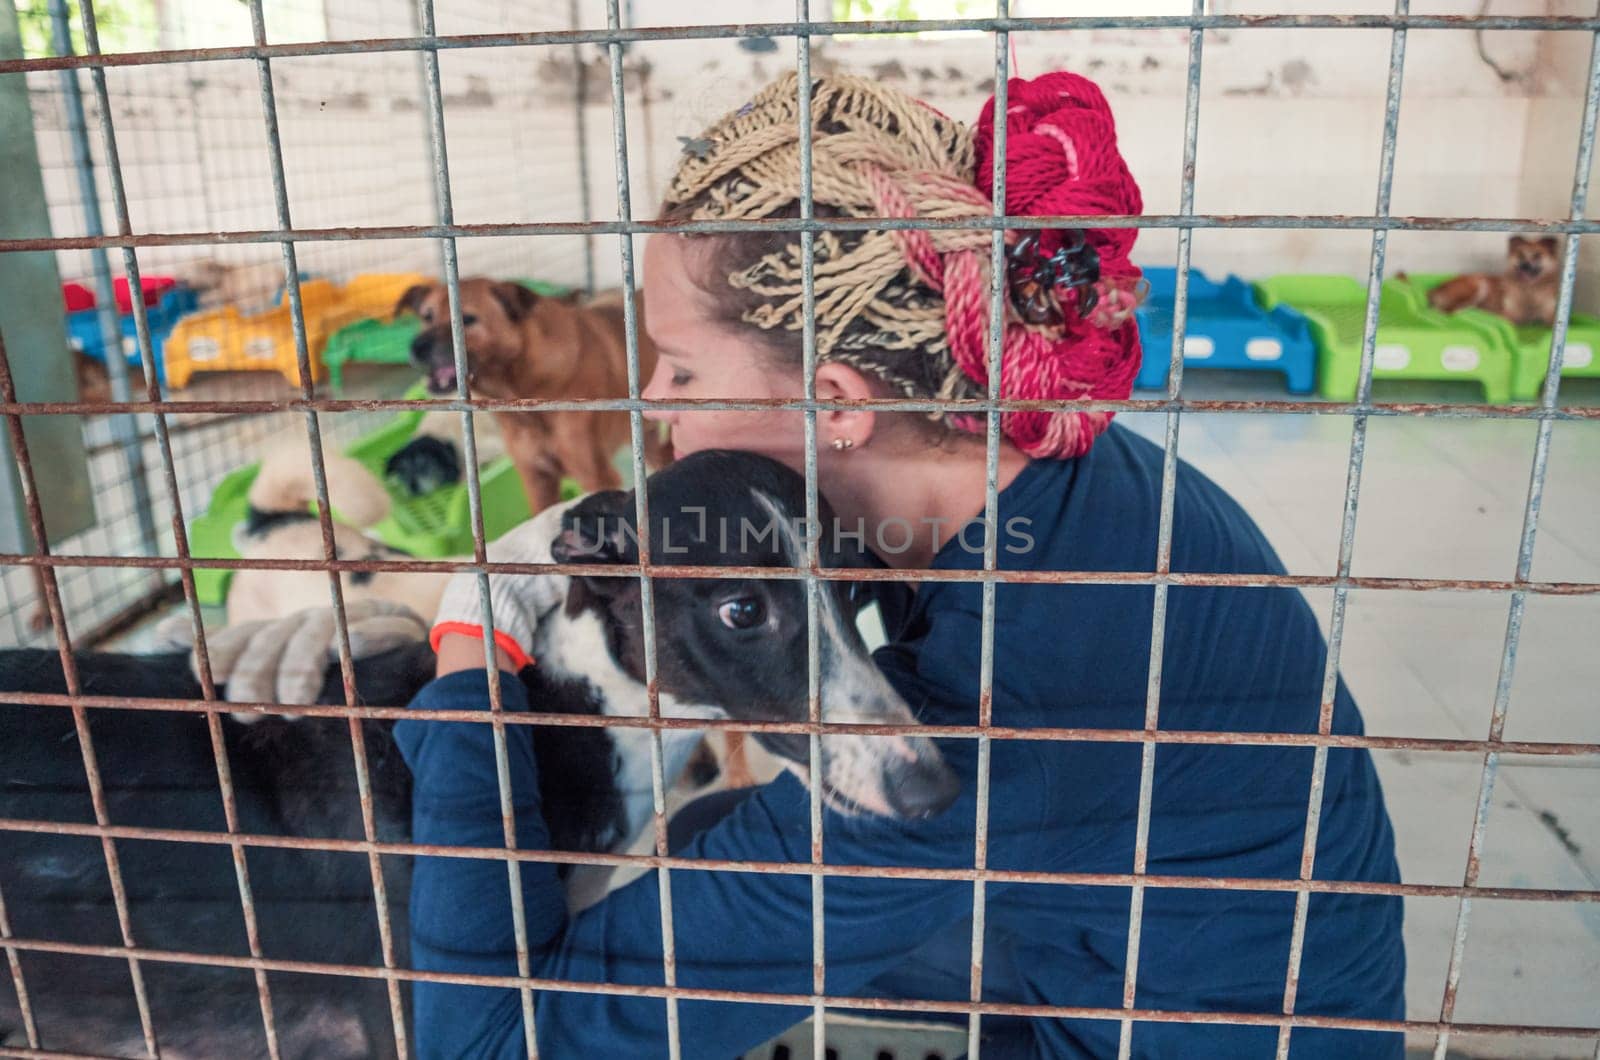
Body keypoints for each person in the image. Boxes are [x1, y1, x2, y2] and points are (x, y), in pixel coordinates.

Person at [392, 71, 1406, 1057]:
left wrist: (469, 652)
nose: (651, 401)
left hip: (1169, 1016)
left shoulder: (1005, 696)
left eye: (682, 368)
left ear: (835, 403)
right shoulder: (1040, 456)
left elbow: (486, 1036)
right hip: (1175, 938)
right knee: (707, 827)